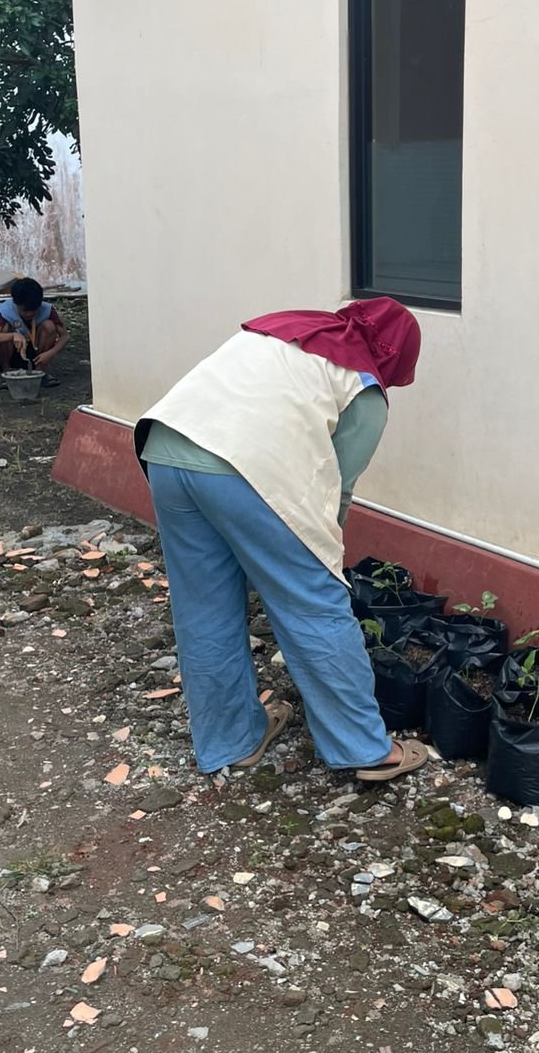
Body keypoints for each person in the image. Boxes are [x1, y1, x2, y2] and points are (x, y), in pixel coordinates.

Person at [134, 298, 427, 783]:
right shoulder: (365, 389)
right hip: (245, 470)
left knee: (204, 610)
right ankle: (363, 749)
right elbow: (337, 488)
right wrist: (320, 558)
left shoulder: (283, 333)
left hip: (168, 450)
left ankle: (232, 742)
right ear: (395, 357)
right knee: (316, 604)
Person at [0, 277, 68, 384]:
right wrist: (12, 335)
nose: (29, 314)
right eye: (24, 310)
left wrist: (50, 353)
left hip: (35, 353)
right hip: (11, 353)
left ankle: (39, 372)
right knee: (3, 329)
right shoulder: (2, 311)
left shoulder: (47, 309)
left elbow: (65, 336)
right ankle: (6, 373)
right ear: (15, 303)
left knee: (49, 326)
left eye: (34, 310)